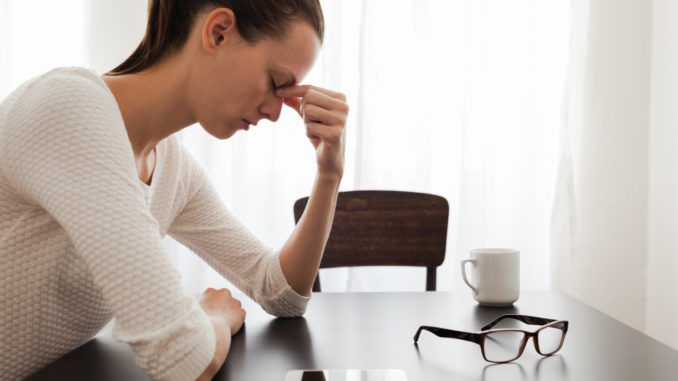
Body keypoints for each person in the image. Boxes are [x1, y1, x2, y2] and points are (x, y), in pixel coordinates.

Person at [0, 0, 347, 379]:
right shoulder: (70, 110)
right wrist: (214, 316)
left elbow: (281, 293)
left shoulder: (171, 168)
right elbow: (183, 360)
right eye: (276, 83)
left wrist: (329, 174)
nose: (277, 113)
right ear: (218, 32)